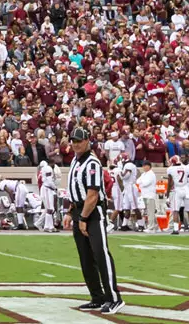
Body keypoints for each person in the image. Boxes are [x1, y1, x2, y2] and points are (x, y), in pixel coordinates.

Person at [66, 127, 122, 315]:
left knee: (101, 253)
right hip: (79, 210)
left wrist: (83, 218)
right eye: (73, 141)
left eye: (79, 141)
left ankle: (114, 297)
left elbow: (93, 194)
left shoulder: (92, 163)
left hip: (93, 212)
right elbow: (75, 190)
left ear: (87, 141)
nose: (76, 144)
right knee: (86, 257)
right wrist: (70, 212)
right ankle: (97, 297)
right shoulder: (75, 160)